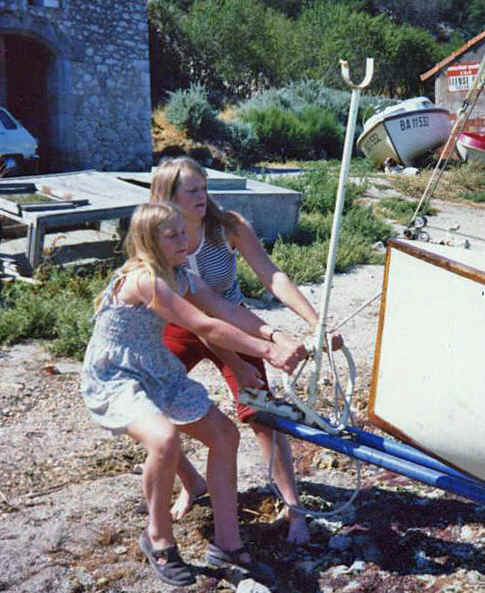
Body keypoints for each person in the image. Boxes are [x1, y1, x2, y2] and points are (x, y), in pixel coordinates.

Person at [81, 203, 307, 586]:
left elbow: (224, 310)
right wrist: (268, 352)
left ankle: (228, 543)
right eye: (172, 236)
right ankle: (158, 538)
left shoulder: (181, 274)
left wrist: (275, 335)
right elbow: (205, 326)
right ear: (149, 241)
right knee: (164, 439)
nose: (184, 240)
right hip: (117, 375)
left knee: (225, 434)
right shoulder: (145, 280)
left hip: (155, 366)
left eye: (183, 232)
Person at [151, 156, 343, 545]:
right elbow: (200, 323)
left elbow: (271, 274)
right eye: (193, 191)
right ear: (168, 196)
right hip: (184, 326)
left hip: (234, 321)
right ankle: (192, 482)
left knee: (262, 415)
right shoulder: (162, 239)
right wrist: (237, 365)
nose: (203, 196)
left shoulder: (228, 227)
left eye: (204, 188)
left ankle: (294, 508)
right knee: (147, 403)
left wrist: (315, 322)